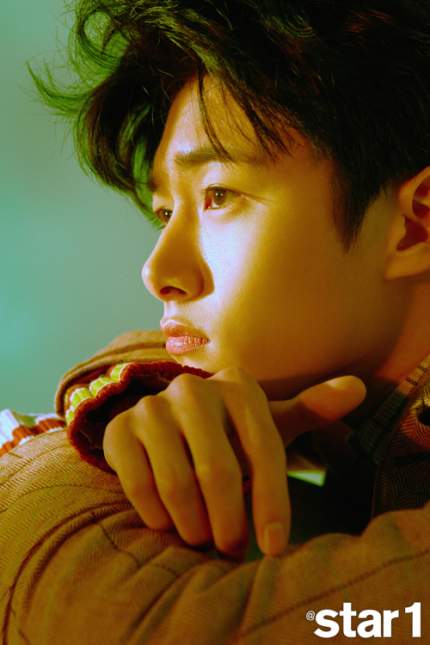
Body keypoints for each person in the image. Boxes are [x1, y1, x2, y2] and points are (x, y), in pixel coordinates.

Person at [1, 0, 430, 641]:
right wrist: (133, 391)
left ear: (416, 225)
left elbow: (133, 625)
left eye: (219, 195)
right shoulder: (346, 439)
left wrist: (56, 448)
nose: (158, 270)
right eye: (164, 212)